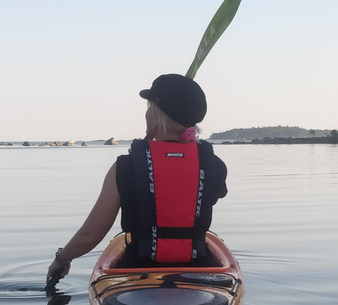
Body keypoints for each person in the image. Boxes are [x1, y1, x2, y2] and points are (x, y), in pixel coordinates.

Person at [46, 73, 228, 287]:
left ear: (156, 113)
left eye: (149, 108)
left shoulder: (126, 165)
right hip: (198, 270)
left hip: (138, 272)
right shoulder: (214, 165)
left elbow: (90, 235)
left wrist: (61, 259)